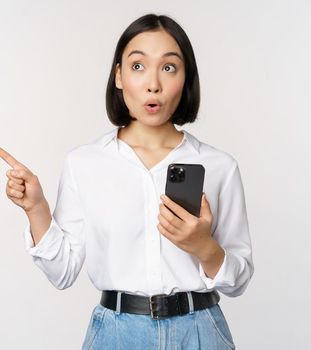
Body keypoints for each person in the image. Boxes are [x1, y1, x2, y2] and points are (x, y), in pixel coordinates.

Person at [0, 13, 253, 349]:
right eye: (138, 66)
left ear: (185, 77)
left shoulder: (219, 166)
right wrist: (36, 208)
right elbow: (62, 273)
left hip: (200, 332)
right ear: (118, 76)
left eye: (168, 67)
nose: (153, 84)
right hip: (117, 335)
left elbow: (238, 281)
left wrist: (203, 247)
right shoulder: (84, 163)